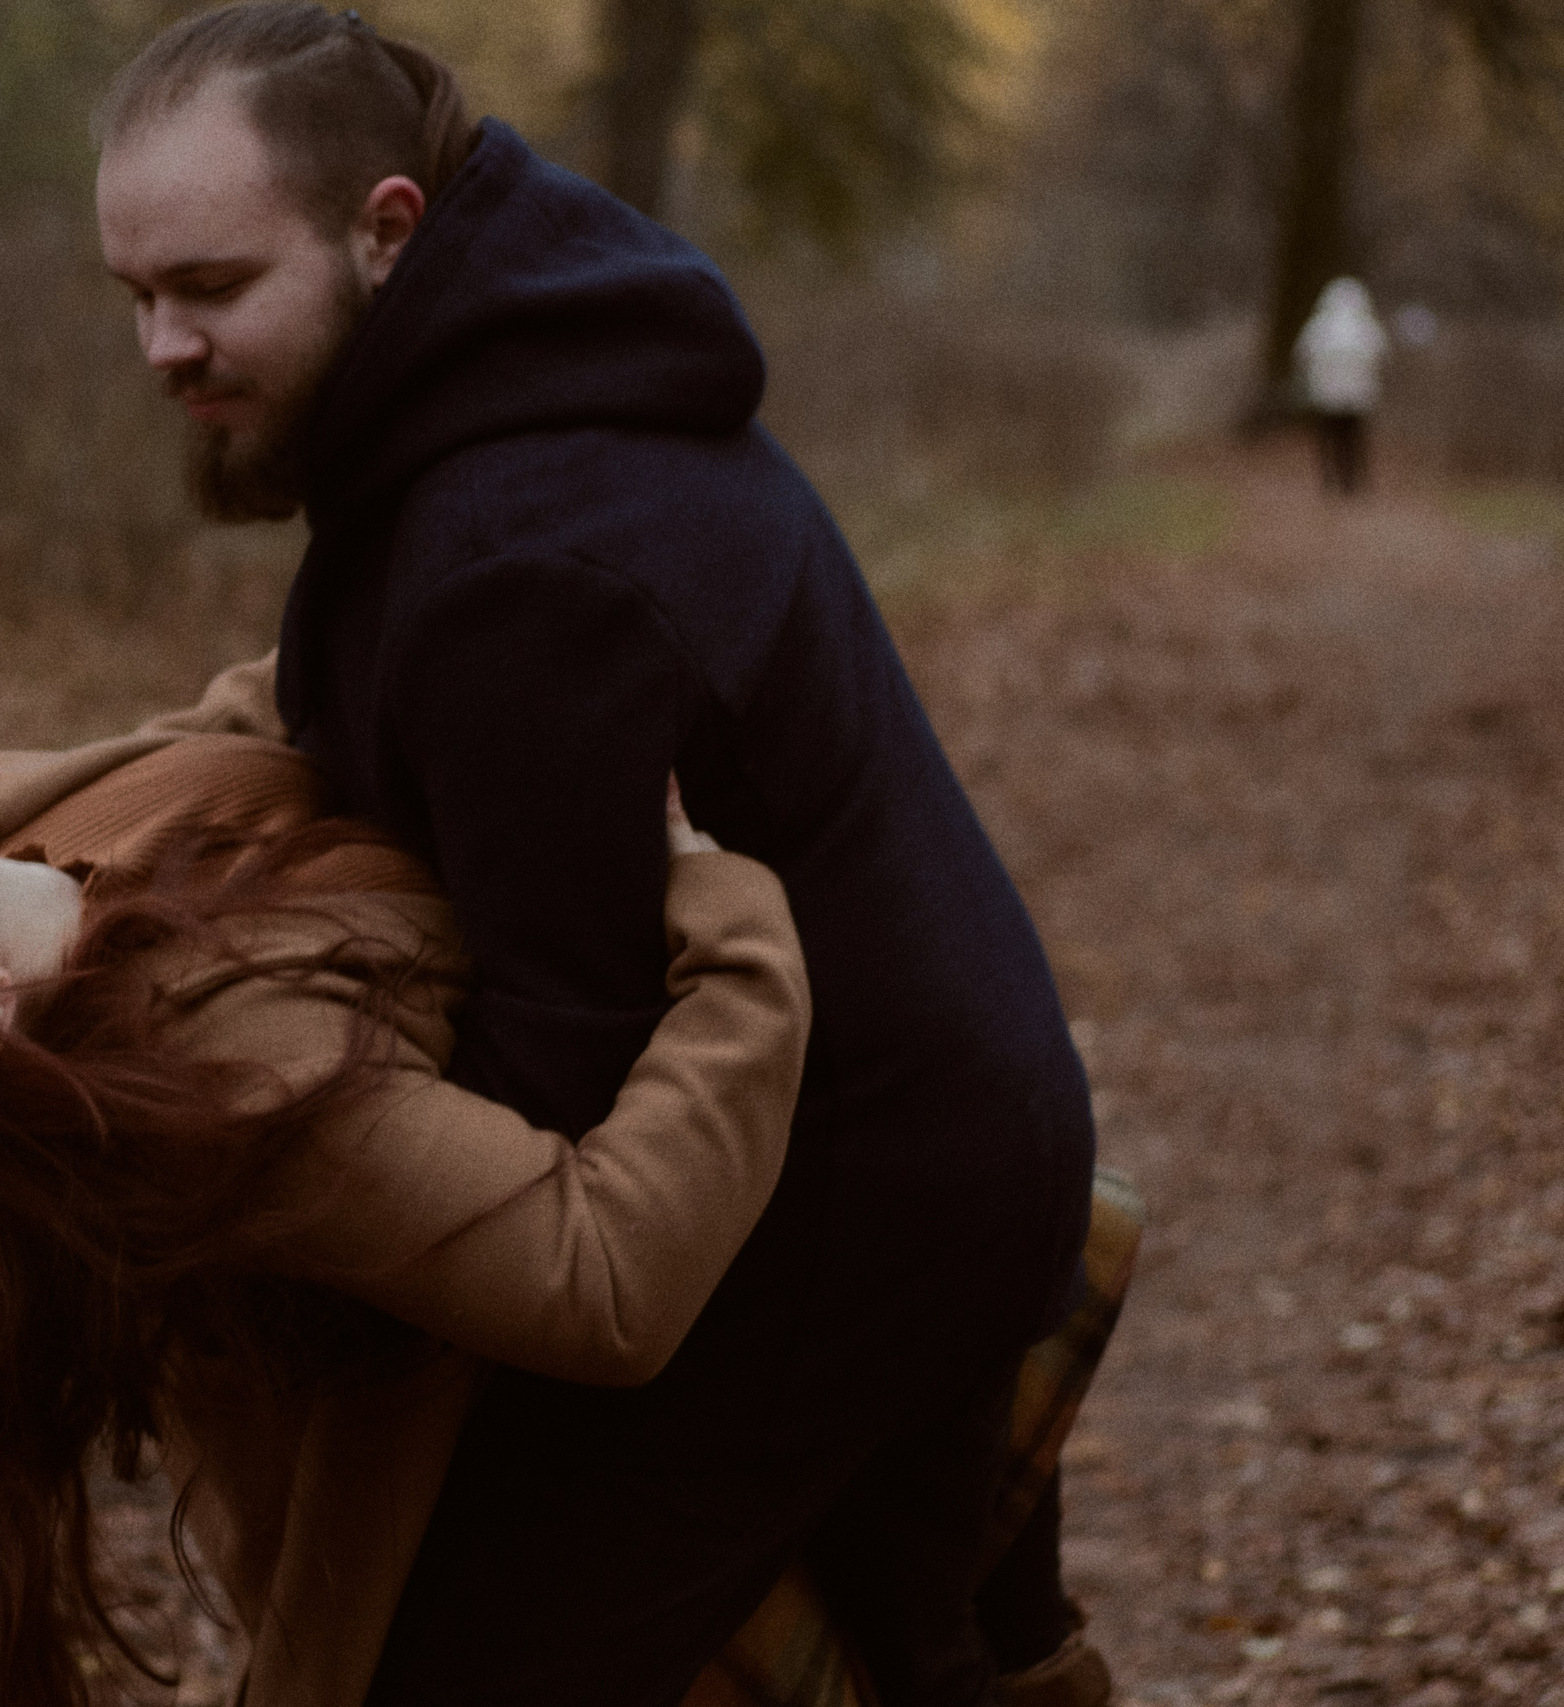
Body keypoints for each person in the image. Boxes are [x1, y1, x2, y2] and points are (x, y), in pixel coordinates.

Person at [91, 7, 1106, 1706]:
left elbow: (556, 1080)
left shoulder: (521, 553)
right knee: (933, 1653)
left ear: (386, 228)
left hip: (859, 1203)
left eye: (208, 286)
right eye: (133, 295)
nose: (161, 348)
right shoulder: (510, 393)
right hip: (944, 1121)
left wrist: (284, 1262)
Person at [0, 679, 814, 1707]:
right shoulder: (238, 1086)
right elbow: (604, 1277)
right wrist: (724, 914)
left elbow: (255, 729)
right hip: (566, 1555)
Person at [1294, 277, 1388, 497]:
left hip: (1325, 396)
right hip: (1358, 398)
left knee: (1328, 438)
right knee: (1353, 438)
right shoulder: (1367, 328)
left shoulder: (1318, 326)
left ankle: (1329, 480)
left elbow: (1302, 354)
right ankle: (1352, 481)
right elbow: (1382, 357)